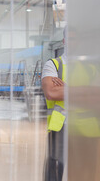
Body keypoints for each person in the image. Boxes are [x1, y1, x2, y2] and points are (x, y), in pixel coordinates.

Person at [41, 28, 66, 181]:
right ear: (64, 41)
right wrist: (83, 90)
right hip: (59, 124)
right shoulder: (54, 65)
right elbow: (52, 93)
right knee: (56, 166)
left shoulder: (91, 67)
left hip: (86, 127)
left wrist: (68, 89)